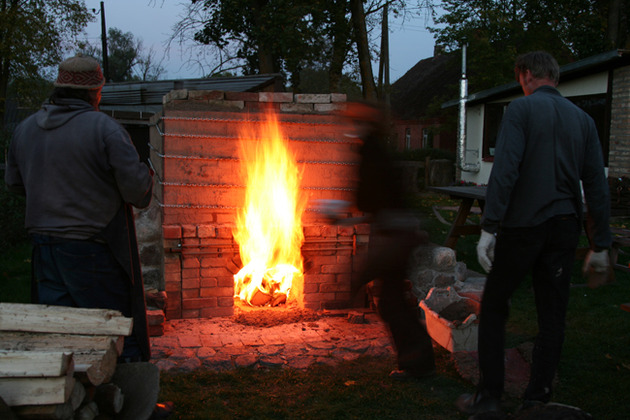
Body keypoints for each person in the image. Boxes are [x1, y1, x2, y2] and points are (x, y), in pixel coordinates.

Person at [455, 51, 612, 416]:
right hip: (564, 229)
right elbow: (596, 185)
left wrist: (489, 228)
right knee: (552, 313)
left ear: (525, 75)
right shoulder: (584, 120)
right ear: (554, 77)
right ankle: (537, 397)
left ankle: (489, 397)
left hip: (523, 227)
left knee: (494, 306)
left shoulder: (520, 111)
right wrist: (600, 243)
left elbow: (505, 170)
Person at [4, 54, 154, 363]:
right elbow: (137, 191)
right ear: (94, 92)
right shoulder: (105, 129)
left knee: (59, 330)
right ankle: (134, 404)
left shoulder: (25, 129)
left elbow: (15, 185)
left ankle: (69, 399)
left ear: (58, 88)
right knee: (115, 326)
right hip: (94, 249)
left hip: (43, 248)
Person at [319, 102, 436, 380]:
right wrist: (345, 218)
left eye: (350, 123)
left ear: (361, 124)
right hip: (397, 231)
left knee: (391, 303)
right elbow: (373, 204)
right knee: (393, 302)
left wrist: (338, 212)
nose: (347, 129)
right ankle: (419, 362)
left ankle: (418, 364)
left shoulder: (369, 151)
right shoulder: (374, 149)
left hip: (397, 236)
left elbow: (368, 199)